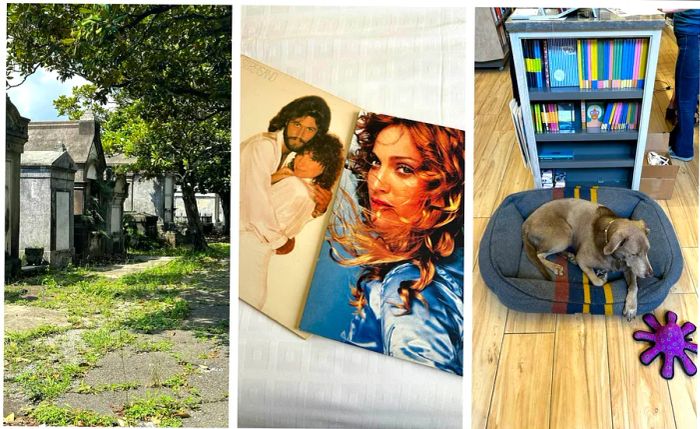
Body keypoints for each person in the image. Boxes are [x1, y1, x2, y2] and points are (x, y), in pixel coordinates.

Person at [329, 113, 465, 375]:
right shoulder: (450, 263)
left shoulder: (410, 289)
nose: (377, 183)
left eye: (405, 169)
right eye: (375, 162)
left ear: (446, 185)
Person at [240, 135, 344, 308]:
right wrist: (284, 242)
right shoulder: (294, 184)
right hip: (251, 244)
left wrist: (318, 210)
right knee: (253, 299)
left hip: (257, 249)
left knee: (252, 300)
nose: (302, 162)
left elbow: (291, 220)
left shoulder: (305, 188)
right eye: (302, 154)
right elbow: (255, 214)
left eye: (313, 159)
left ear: (326, 167)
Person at [666, 9, 700, 161]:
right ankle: (679, 138)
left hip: (692, 31)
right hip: (690, 30)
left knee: (686, 93)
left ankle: (684, 149)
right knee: (687, 88)